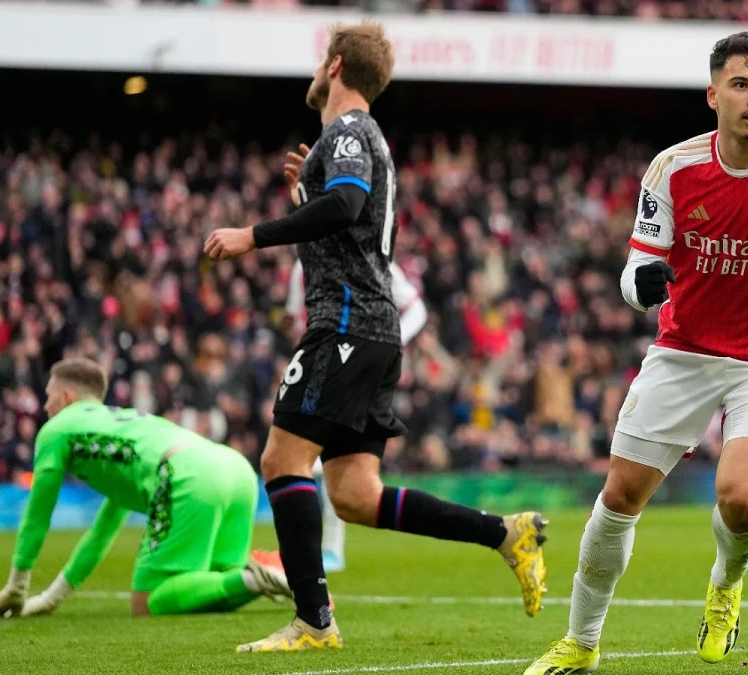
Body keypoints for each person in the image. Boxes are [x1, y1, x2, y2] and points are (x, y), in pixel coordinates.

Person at [523, 32, 748, 673]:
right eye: (743, 85)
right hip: (685, 350)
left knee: (738, 496)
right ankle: (581, 644)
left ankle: (725, 585)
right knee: (619, 499)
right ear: (713, 93)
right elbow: (639, 268)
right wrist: (638, 288)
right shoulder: (672, 169)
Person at [204, 22, 547, 653]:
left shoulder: (349, 130)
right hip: (374, 327)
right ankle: (505, 533)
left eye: (319, 62)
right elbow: (343, 208)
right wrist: (308, 187)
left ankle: (313, 621)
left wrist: (254, 232)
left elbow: (347, 206)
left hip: (346, 321)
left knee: (281, 462)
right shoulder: (356, 139)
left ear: (335, 66)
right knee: (356, 495)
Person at [0, 358, 292, 620]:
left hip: (186, 473)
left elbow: (37, 516)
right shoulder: (122, 422)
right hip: (234, 468)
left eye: (48, 397)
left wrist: (16, 587)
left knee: (148, 601)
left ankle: (255, 575)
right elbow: (102, 532)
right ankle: (268, 574)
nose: (45, 406)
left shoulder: (56, 431)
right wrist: (51, 597)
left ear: (66, 396)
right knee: (215, 584)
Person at [286, 256, 427, 573]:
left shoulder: (378, 262)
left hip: (360, 369)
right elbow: (296, 318)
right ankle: (317, 549)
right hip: (317, 366)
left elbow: (417, 310)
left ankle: (330, 549)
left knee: (330, 454)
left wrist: (389, 342)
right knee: (302, 454)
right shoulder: (303, 264)